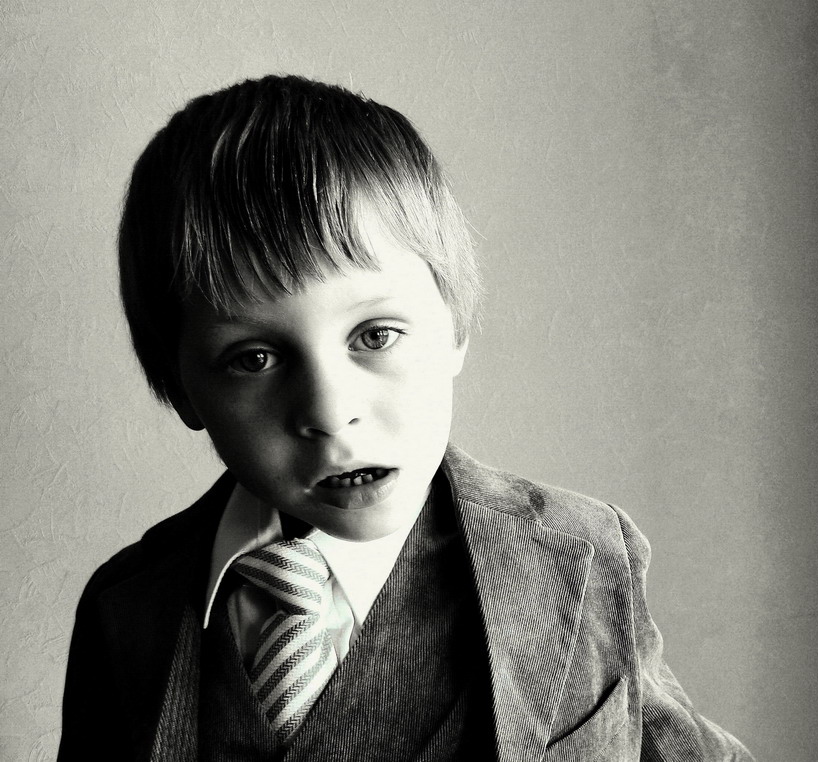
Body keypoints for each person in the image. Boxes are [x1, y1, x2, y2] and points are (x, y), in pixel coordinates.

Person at [58, 74, 755, 761]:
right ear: (180, 387)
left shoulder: (581, 557)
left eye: (375, 335)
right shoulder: (127, 608)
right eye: (254, 359)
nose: (331, 414)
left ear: (454, 329)